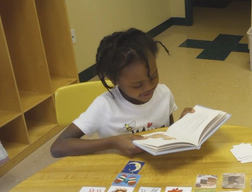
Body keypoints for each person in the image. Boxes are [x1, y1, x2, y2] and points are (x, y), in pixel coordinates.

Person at [50, 28, 193, 158]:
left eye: (153, 76)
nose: (149, 87)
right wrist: (112, 142)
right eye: (137, 85)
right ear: (115, 80)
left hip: (159, 168)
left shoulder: (164, 93)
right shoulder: (104, 106)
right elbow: (57, 147)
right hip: (121, 176)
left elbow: (167, 133)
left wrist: (183, 124)